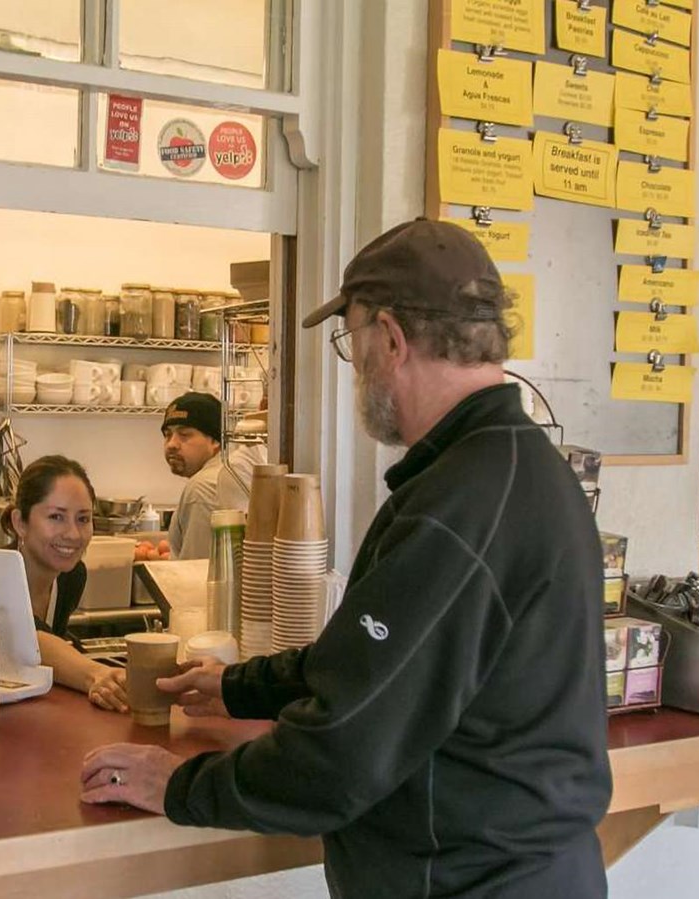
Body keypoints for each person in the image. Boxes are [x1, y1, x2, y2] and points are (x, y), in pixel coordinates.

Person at [80, 219, 613, 898]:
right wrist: (241, 686)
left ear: (391, 340)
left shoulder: (461, 506)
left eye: (352, 342)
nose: (355, 367)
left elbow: (340, 754)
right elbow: (374, 665)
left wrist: (178, 783)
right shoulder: (518, 467)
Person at [4, 455, 129, 713]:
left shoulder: (71, 577)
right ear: (20, 523)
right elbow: (29, 639)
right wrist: (94, 674)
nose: (73, 534)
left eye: (83, 519)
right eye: (56, 517)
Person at [161, 392, 260, 560]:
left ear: (215, 440)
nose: (171, 444)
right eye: (168, 435)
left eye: (184, 435)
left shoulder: (202, 487)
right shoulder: (229, 472)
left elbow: (195, 569)